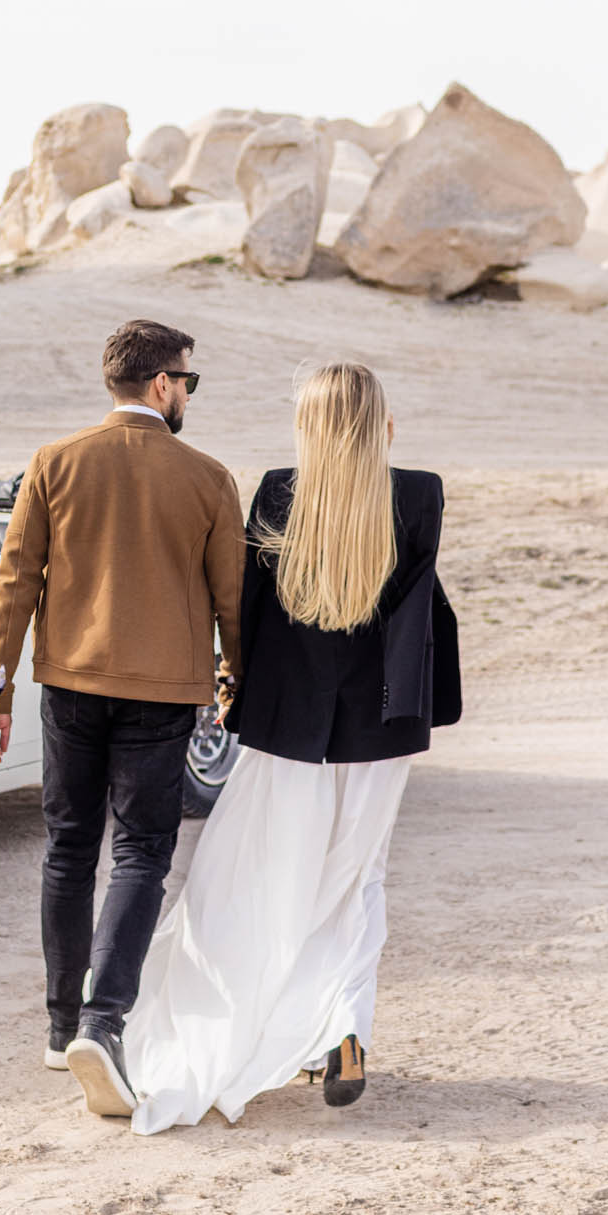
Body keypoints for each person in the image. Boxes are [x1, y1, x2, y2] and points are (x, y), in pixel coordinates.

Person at [123, 360, 459, 1135]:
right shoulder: (418, 493)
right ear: (379, 420)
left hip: (286, 726)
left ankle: (280, 1024)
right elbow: (415, 610)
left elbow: (249, 614)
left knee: (258, 876)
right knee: (355, 877)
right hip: (379, 729)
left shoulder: (278, 490)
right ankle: (343, 1031)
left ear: (306, 425)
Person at [0, 318, 244, 1119]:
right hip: (162, 694)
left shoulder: (54, 463)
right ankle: (103, 1022)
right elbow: (233, 600)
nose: (188, 393)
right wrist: (237, 684)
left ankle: (62, 1030)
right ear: (161, 385)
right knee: (139, 854)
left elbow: (13, 582)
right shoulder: (206, 477)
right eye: (187, 381)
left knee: (67, 847)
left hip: (69, 685)